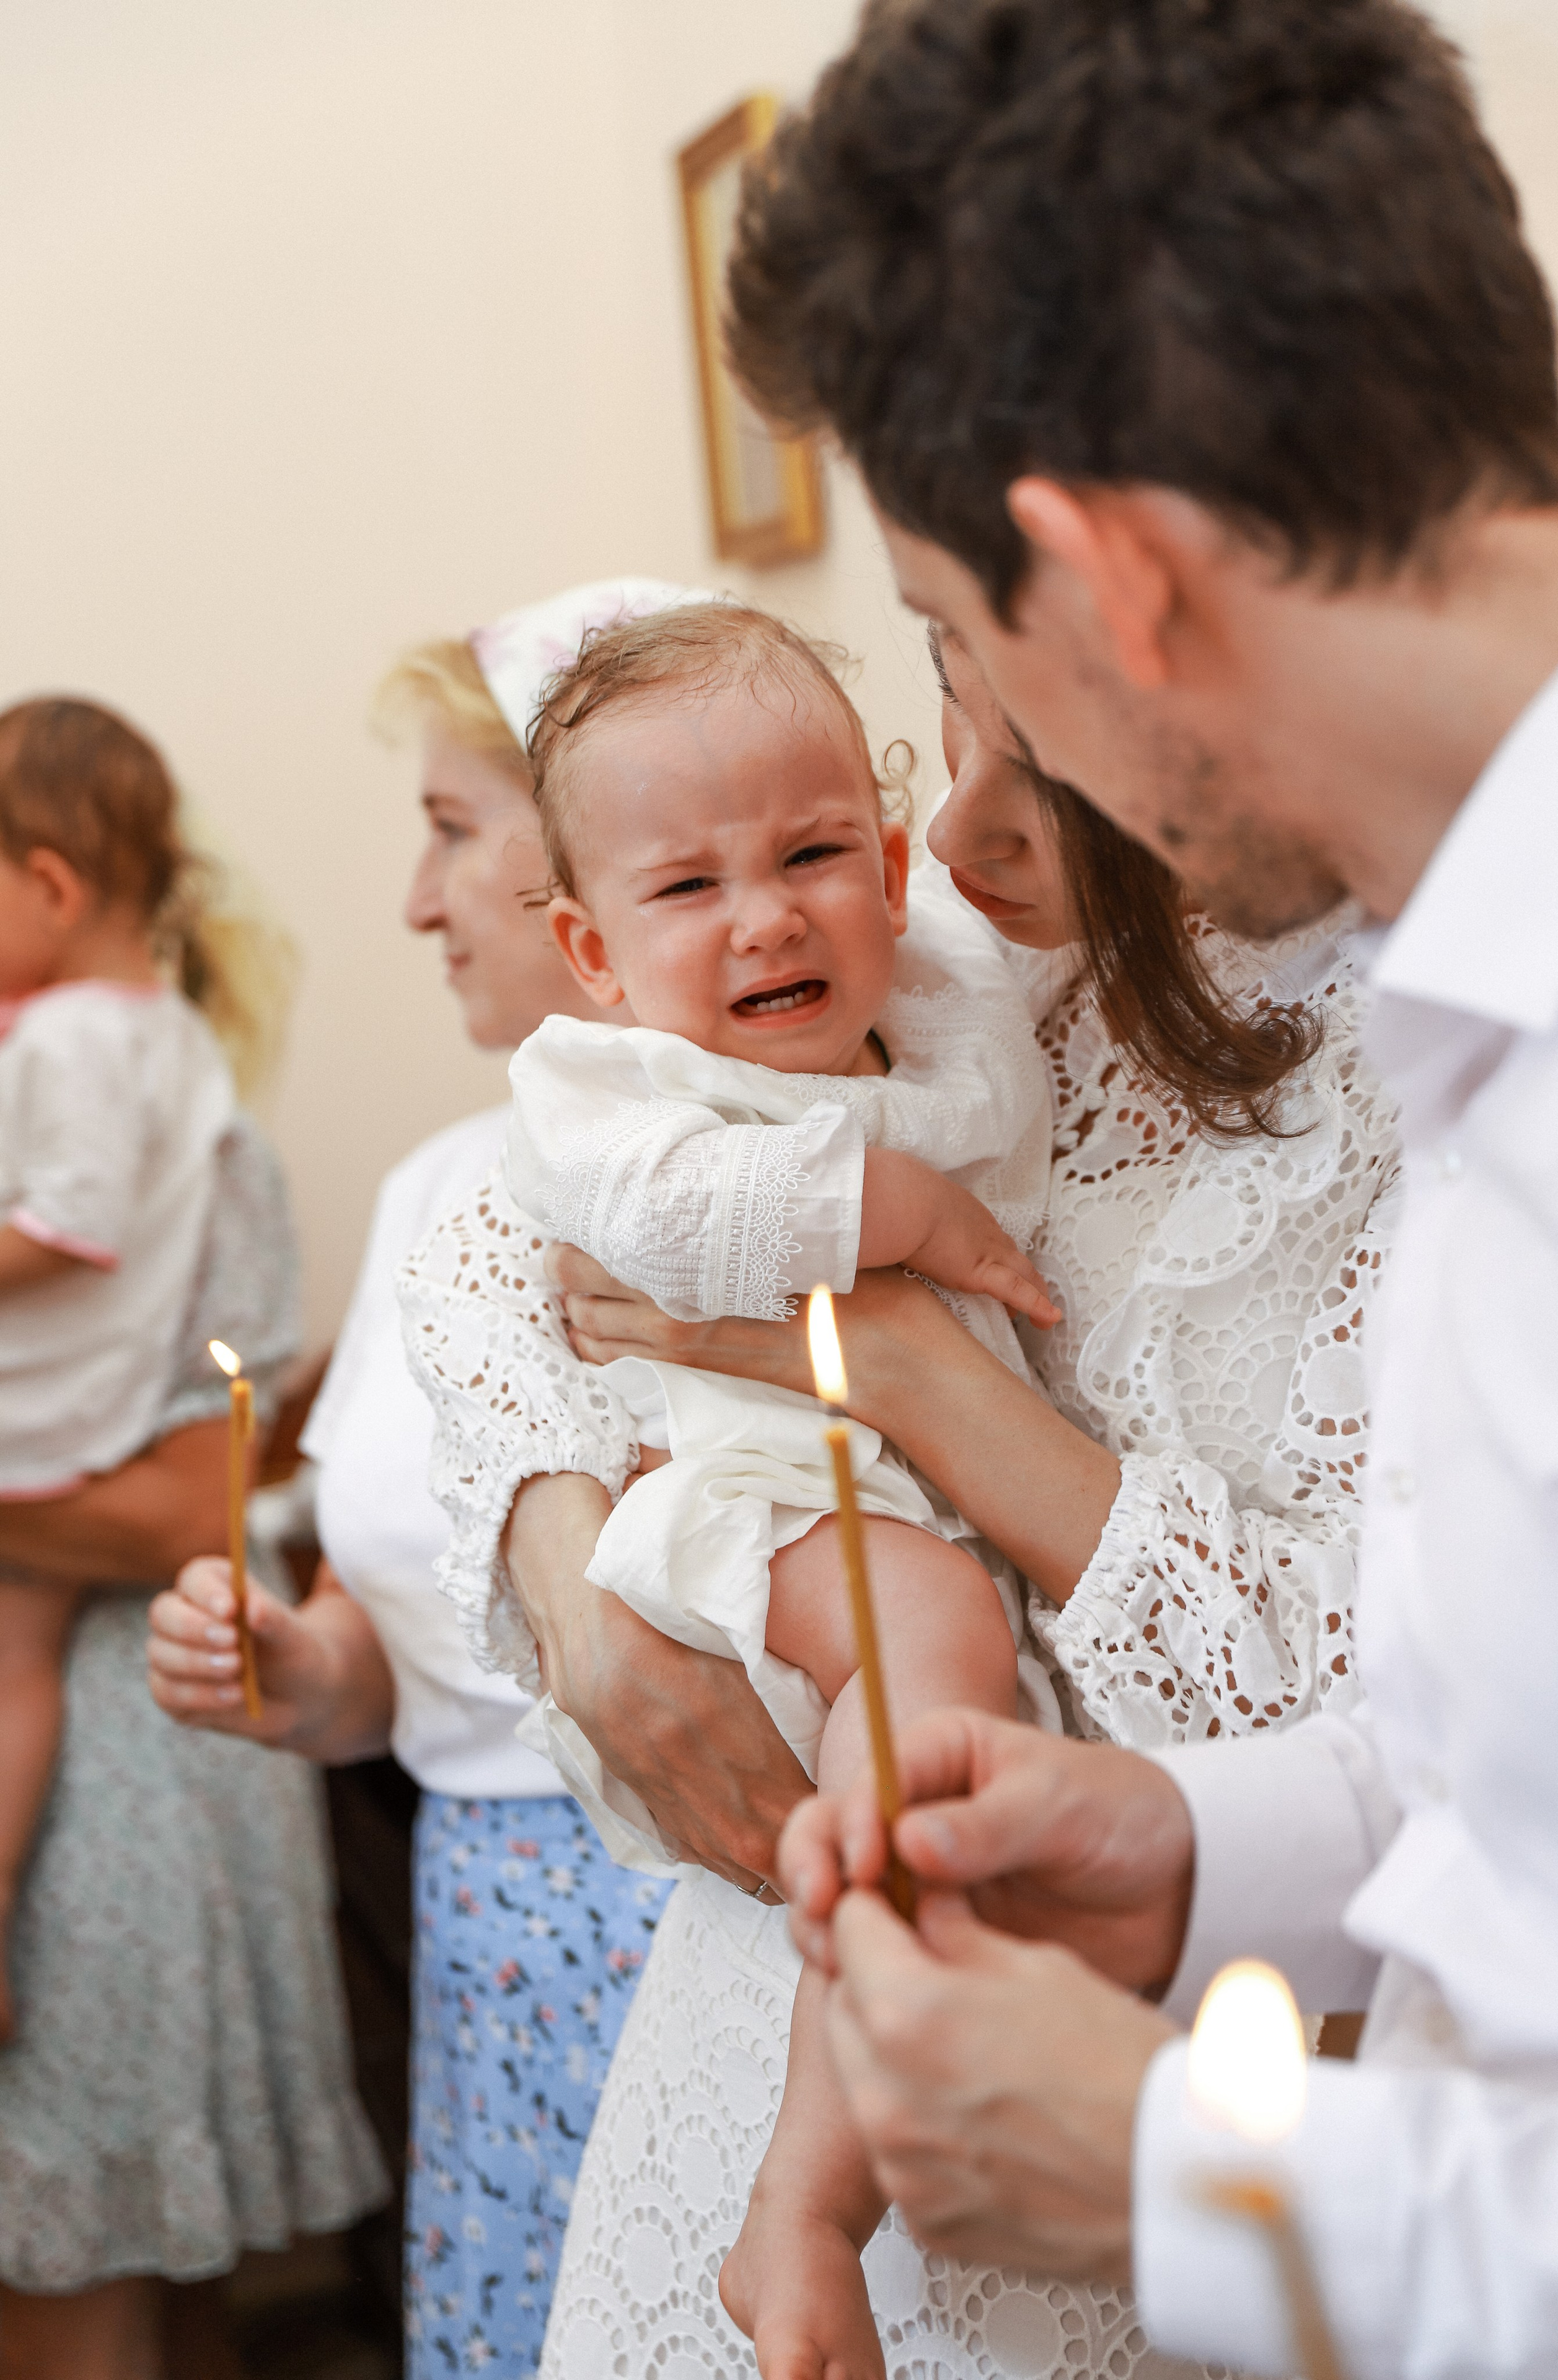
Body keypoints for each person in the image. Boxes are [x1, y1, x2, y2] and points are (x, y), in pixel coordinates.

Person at [723, 1, 1558, 2373]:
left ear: (1109, 583)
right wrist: (1196, 1851)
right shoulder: (1471, 1000)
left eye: (960, 645)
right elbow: (1531, 1781)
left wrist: (1191, 2179)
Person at [402, 598, 1399, 2374]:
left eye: (1053, 763)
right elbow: (500, 1223)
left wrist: (915, 1370)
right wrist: (571, 1577)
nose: (951, 834)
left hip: (1155, 2085)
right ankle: (795, 2201)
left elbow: (1386, 1720)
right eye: (955, 703)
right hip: (765, 1951)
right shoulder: (975, 948)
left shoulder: (1452, 1080)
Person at [442, 596, 1062, 2376]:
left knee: (953, 1669)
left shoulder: (941, 1003)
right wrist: (916, 1219)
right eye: (688, 888)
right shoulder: (602, 1084)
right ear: (590, 947)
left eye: (811, 856)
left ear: (885, 859)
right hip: (739, 1503)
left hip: (890, 1489)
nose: (767, 916)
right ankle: (803, 2206)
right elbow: (677, 1220)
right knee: (930, 1641)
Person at [146, 581, 698, 2378]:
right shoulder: (432, 1188)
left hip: (696, 1927)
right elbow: (405, 1644)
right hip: (486, 1938)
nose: (411, 902)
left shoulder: (757, 1183)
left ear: (596, 858)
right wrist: (302, 1677)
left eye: (452, 832)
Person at [0, 784, 382, 2378]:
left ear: (55, 882)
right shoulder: (125, 1079)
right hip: (128, 1722)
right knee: (160, 2286)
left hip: (126, 1756)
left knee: (90, 2270)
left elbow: (191, 1507)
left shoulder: (169, 1134)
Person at [0, 698, 237, 2042]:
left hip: (33, 1402)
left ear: (48, 885)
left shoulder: (75, 1040)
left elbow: (67, 1228)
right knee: (17, 1654)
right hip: (93, 1408)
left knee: (13, 1653)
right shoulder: (162, 1034)